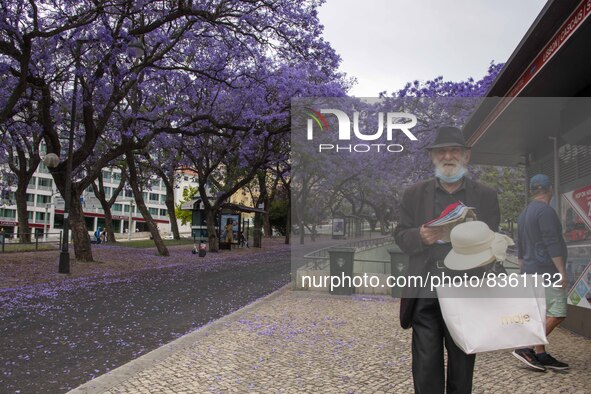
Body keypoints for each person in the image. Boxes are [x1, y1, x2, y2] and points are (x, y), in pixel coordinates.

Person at [394, 126, 500, 394]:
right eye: (442, 151)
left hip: (467, 289)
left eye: (455, 151)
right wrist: (420, 236)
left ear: (466, 156)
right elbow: (400, 235)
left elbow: (493, 240)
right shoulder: (414, 194)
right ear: (433, 157)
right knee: (426, 364)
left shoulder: (486, 196)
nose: (448, 156)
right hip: (425, 289)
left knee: (462, 365)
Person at [512, 174, 569, 371]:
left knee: (540, 313)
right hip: (547, 272)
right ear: (551, 189)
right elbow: (551, 242)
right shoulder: (546, 212)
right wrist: (561, 271)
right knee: (558, 313)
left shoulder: (524, 214)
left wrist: (523, 271)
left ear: (531, 191)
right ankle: (526, 347)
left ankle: (541, 354)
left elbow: (520, 247)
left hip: (529, 271)